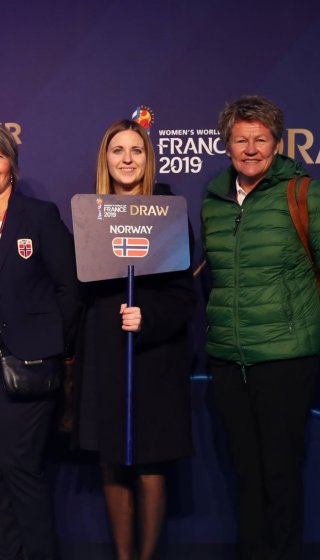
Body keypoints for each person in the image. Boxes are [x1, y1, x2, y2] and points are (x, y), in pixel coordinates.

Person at [202, 95, 319, 560]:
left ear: (276, 143)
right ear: (227, 145)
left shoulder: (303, 192)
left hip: (286, 359)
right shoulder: (212, 200)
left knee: (281, 473)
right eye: (240, 140)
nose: (250, 149)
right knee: (246, 475)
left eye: (261, 139)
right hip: (230, 360)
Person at [0, 123, 79, 560]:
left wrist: (49, 346)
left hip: (29, 358)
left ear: (12, 166)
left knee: (20, 466)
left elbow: (69, 289)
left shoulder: (39, 217)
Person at [75, 119, 194, 560]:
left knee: (149, 459)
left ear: (148, 159)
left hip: (154, 357)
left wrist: (150, 317)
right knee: (111, 460)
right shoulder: (90, 215)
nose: (127, 159)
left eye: (137, 151)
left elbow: (184, 299)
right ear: (105, 159)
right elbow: (80, 288)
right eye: (118, 150)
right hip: (105, 355)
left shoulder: (168, 211)